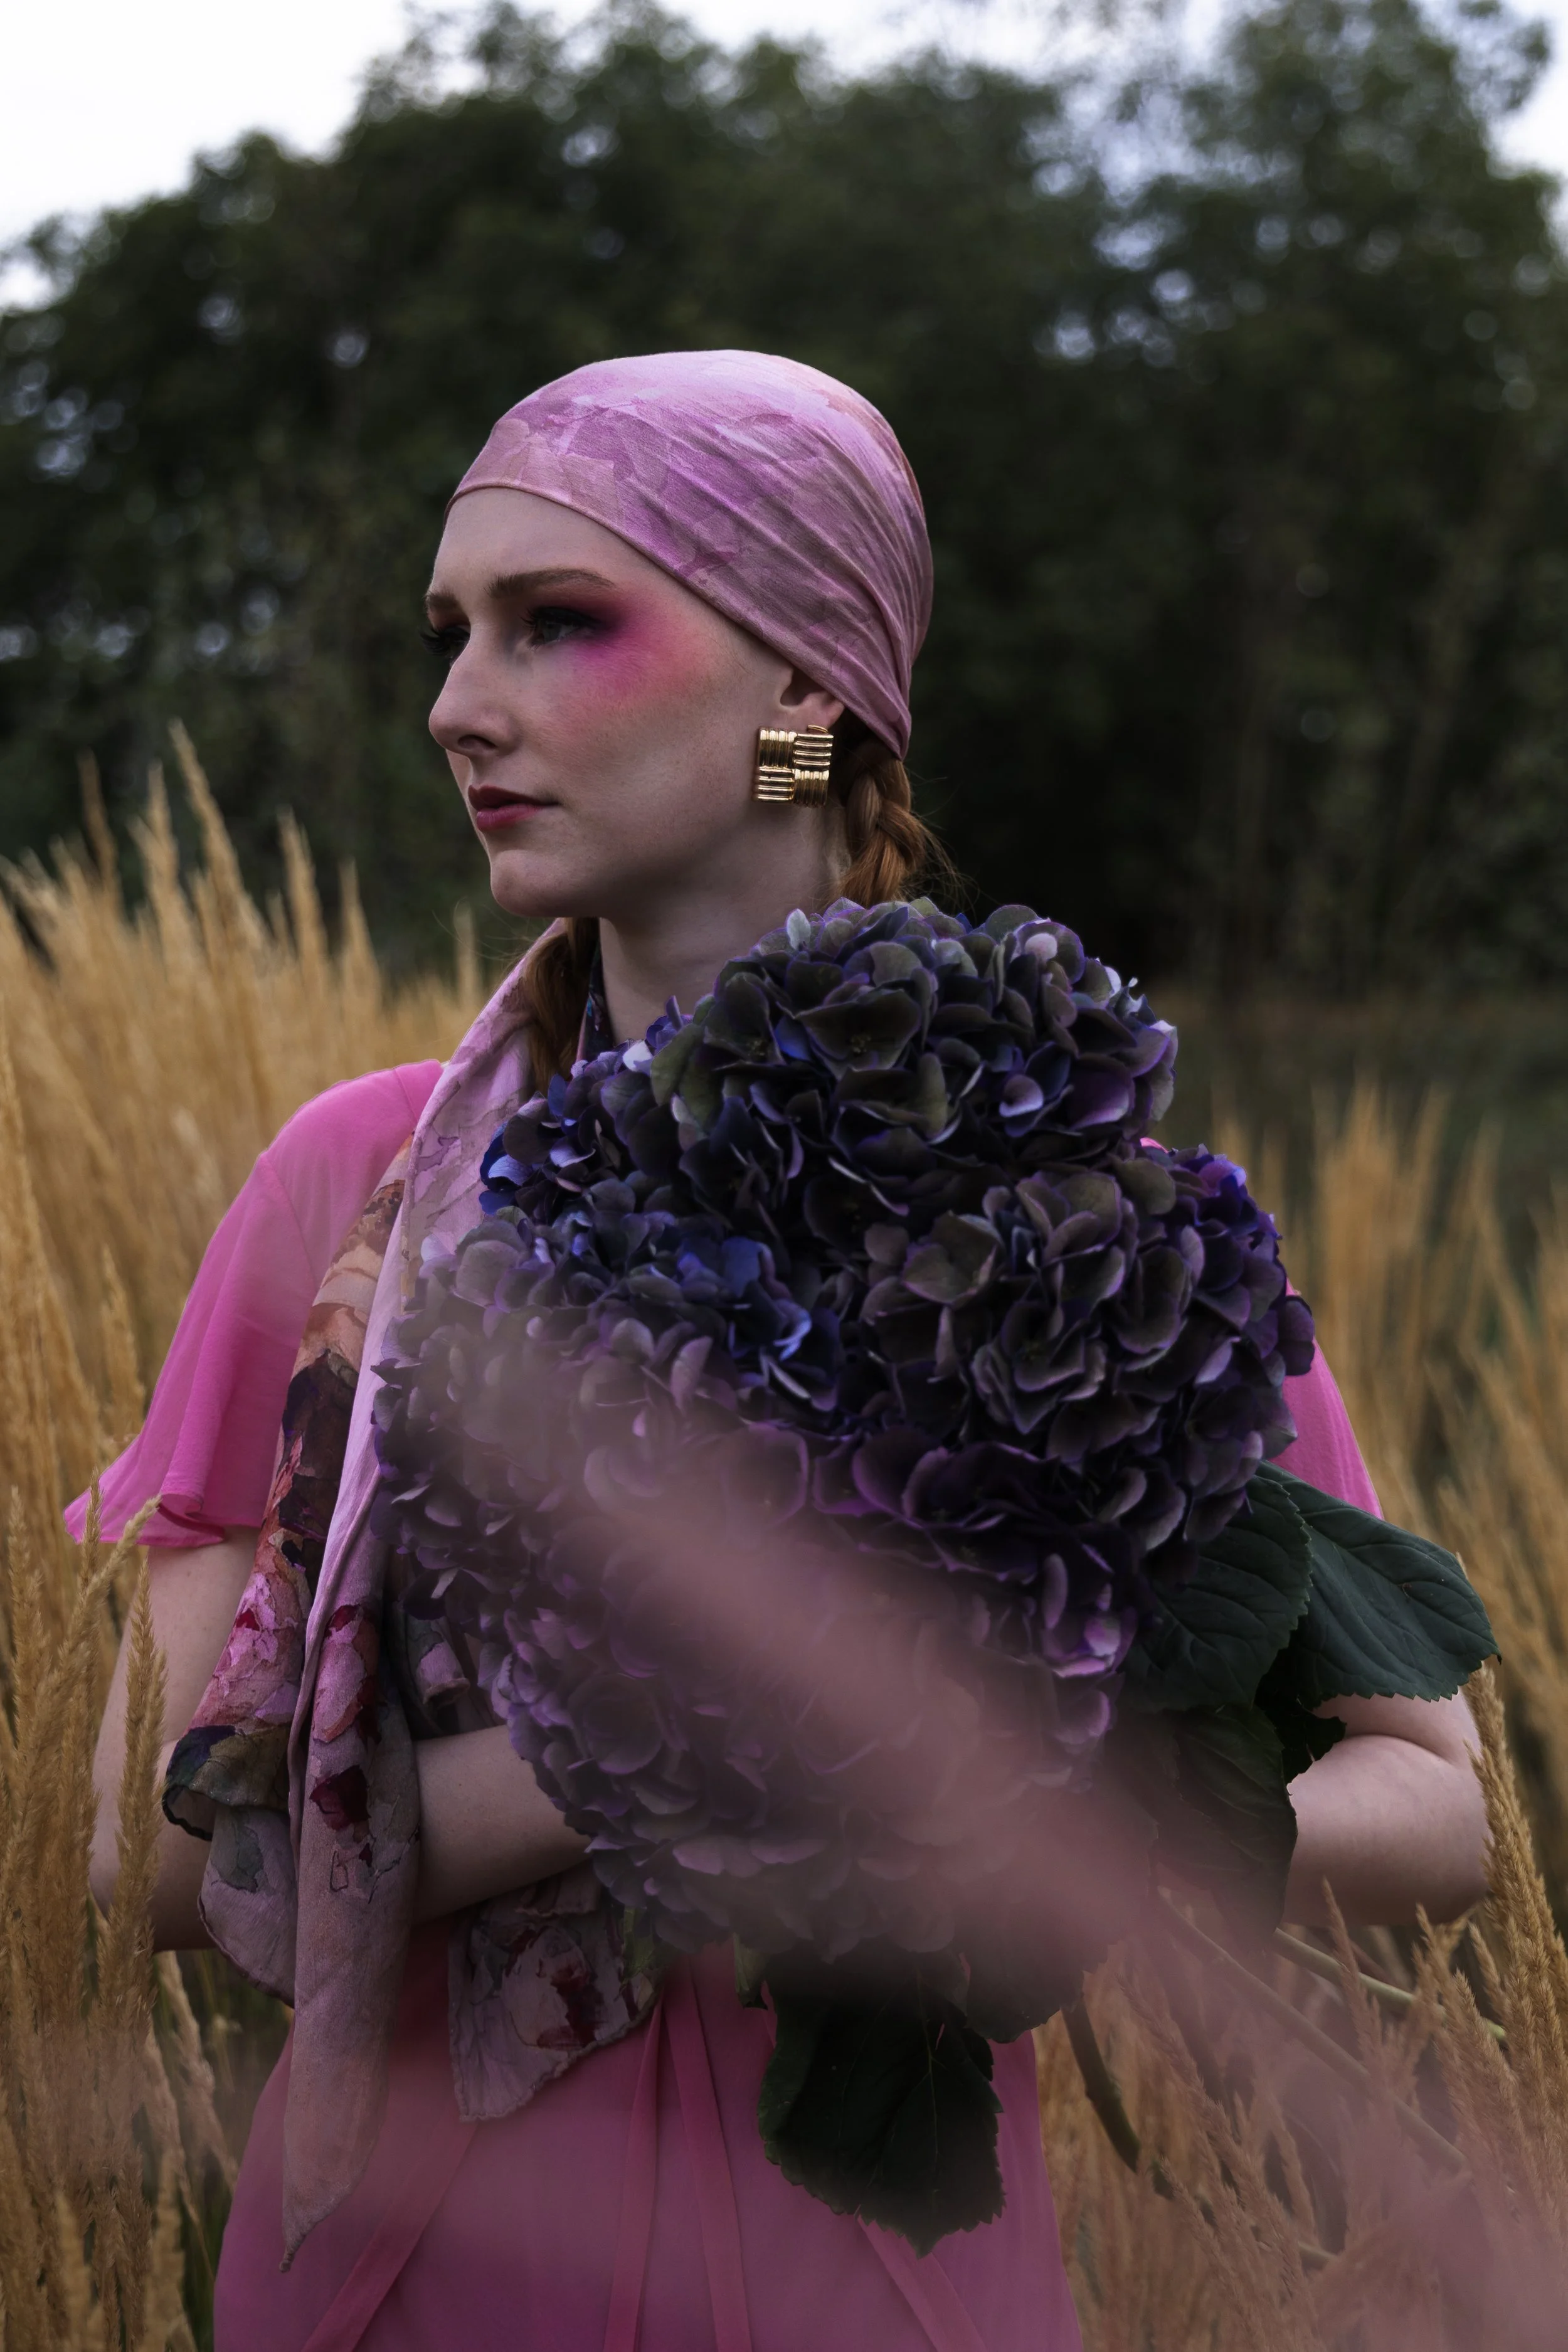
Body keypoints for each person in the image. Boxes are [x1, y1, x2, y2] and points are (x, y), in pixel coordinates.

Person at [82, 351, 1488, 2352]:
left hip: (886, 2282)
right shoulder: (355, 1189)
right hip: (417, 2285)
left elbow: (1430, 1808)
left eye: (558, 621)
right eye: (450, 630)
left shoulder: (1088, 1239)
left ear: (806, 701)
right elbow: (163, 1863)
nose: (455, 700)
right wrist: (705, 1731)